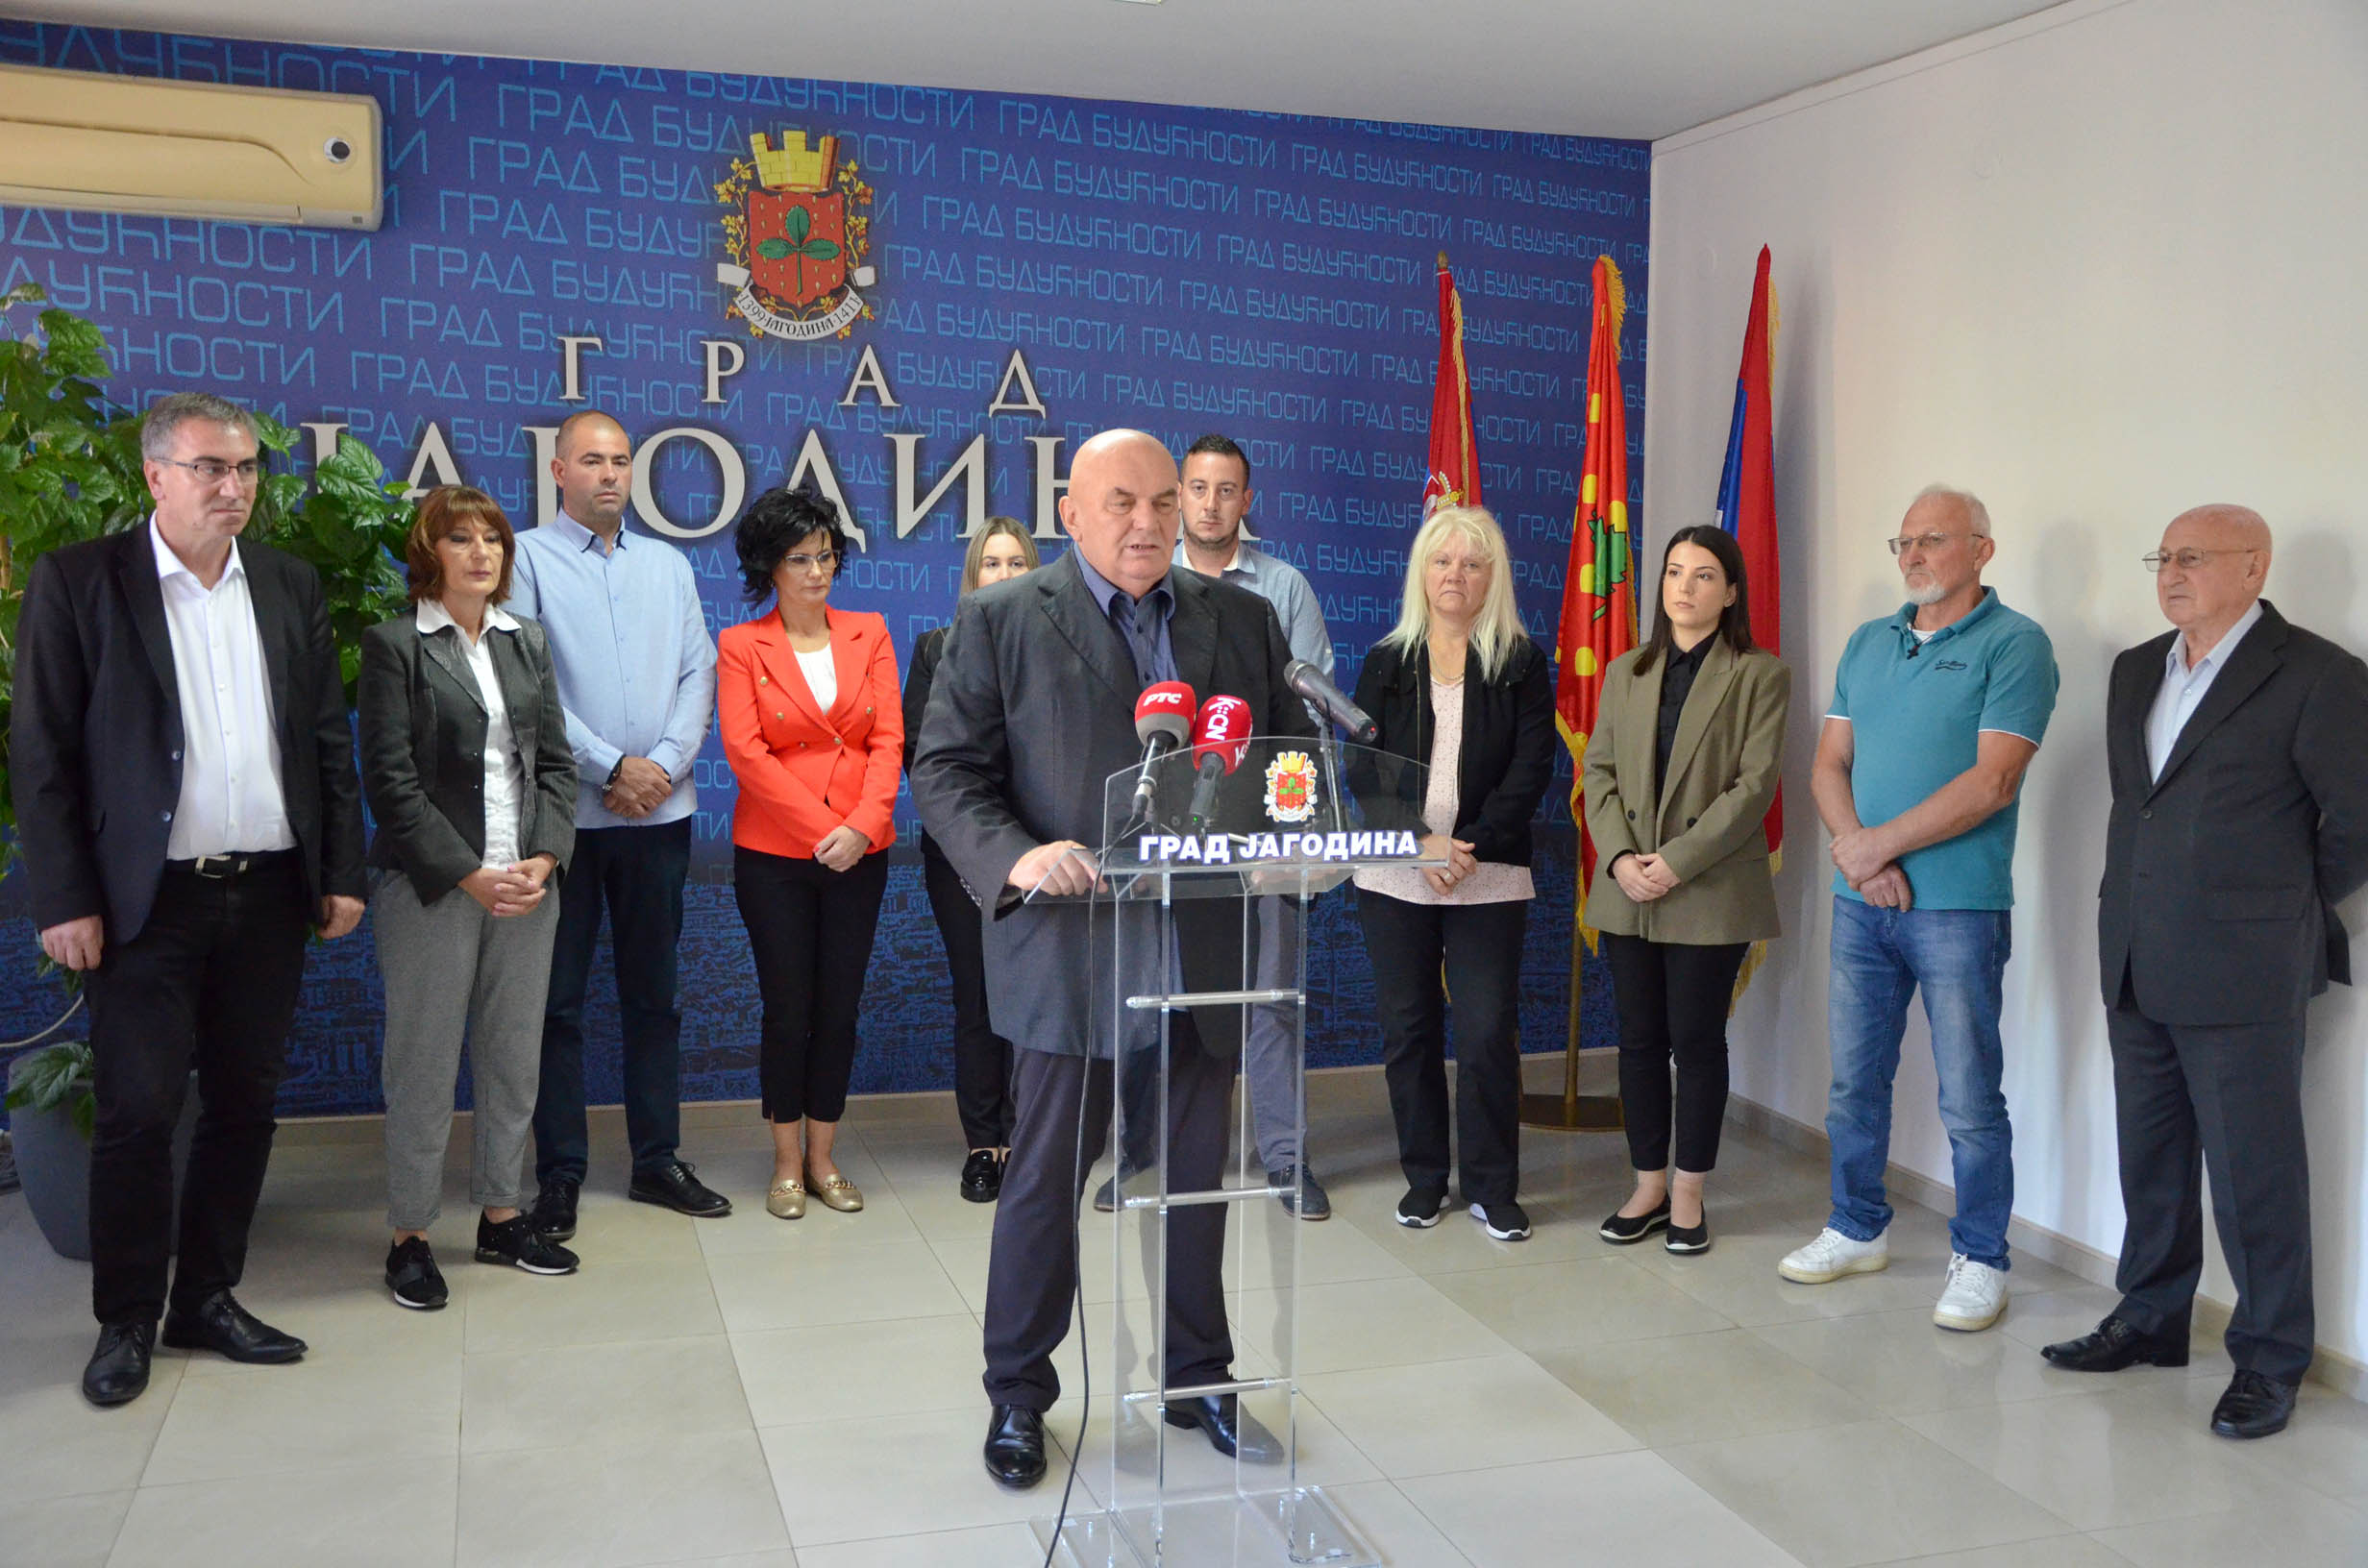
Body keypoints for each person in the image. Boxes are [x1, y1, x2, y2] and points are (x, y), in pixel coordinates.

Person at [910, 429, 1317, 1490]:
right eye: (1122, 503)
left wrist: (1290, 835)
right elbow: (945, 772)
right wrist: (1019, 856)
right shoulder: (1003, 619)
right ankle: (1018, 1392)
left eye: (1161, 502)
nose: (1147, 522)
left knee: (1195, 1177)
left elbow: (1285, 761)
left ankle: (1198, 1376)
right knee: (1046, 1177)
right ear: (1073, 514)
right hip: (1073, 944)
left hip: (1203, 941)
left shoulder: (1241, 618)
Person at [11, 391, 366, 1405]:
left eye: (246, 468)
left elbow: (325, 741)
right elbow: (42, 756)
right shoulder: (82, 581)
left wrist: (340, 871)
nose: (233, 487)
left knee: (246, 1104)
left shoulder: (287, 584)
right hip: (145, 903)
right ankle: (126, 1320)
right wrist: (64, 899)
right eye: (211, 467)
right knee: (137, 1111)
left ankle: (207, 1297)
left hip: (269, 891)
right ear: (155, 475)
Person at [2041, 505, 2368, 1439]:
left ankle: (2270, 1358)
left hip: (2244, 966)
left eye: (2192, 557)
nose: (2170, 573)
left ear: (2254, 568)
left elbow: (2356, 822)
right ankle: (2150, 1316)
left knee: (2254, 1173)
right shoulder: (2137, 668)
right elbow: (2139, 807)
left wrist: (2281, 906)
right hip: (2135, 951)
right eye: (2163, 557)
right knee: (2149, 1156)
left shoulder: (2318, 675)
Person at [1782, 485, 2057, 1334]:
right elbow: (1828, 764)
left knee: (1970, 1097)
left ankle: (1982, 1258)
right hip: (1862, 905)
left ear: (1982, 549)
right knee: (1853, 1084)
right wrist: (1860, 856)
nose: (1912, 556)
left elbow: (1994, 780)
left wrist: (1874, 848)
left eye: (1932, 540)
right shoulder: (1869, 642)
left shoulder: (2015, 643)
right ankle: (1856, 1226)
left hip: (1958, 909)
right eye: (1902, 542)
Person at [508, 411, 727, 1238]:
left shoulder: (668, 565)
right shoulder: (526, 558)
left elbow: (698, 671)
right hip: (564, 821)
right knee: (557, 1005)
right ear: (559, 471)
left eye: (621, 461)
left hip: (659, 816)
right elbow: (526, 682)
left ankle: (656, 1161)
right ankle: (560, 1173)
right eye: (592, 460)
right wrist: (610, 768)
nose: (609, 474)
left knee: (654, 999)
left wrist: (660, 766)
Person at [359, 487, 580, 1305]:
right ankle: (410, 1238)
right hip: (433, 887)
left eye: (492, 539)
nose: (482, 553)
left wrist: (544, 857)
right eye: (461, 539)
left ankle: (501, 1216)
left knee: (513, 1058)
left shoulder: (528, 642)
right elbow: (390, 783)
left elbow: (554, 764)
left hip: (525, 884)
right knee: (422, 1065)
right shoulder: (396, 645)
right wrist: (469, 872)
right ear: (431, 553)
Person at [1351, 504, 1556, 1242]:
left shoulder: (1520, 663)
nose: (1455, 575)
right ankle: (1425, 1178)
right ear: (1422, 572)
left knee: (1486, 1029)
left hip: (1487, 873)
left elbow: (1532, 768)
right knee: (1408, 1029)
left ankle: (1493, 1187)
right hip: (1396, 875)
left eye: (1471, 564)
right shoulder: (1386, 661)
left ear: (1492, 578)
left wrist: (1465, 845)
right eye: (1442, 561)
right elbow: (1363, 768)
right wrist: (1421, 843)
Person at [1583, 526, 1789, 1256]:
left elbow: (1754, 787)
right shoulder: (1626, 671)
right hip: (1627, 888)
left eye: (1703, 575)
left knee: (1695, 1043)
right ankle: (1648, 1185)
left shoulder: (1759, 675)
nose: (1685, 587)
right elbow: (1598, 773)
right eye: (1674, 572)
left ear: (1730, 592)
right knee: (1638, 1041)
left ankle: (1690, 1191)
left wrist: (1674, 862)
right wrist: (1619, 859)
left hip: (1708, 887)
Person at [717, 485, 902, 1219]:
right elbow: (746, 752)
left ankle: (825, 1158)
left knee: (840, 1010)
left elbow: (888, 739)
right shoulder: (742, 645)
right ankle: (787, 1163)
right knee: (787, 1010)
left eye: (826, 555)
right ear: (769, 566)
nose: (818, 570)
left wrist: (863, 825)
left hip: (862, 850)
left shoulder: (870, 631)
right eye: (800, 558)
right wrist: (825, 828)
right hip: (775, 856)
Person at [1172, 432, 1338, 1220]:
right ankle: (1151, 1151)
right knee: (1167, 998)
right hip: (1171, 836)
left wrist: (1292, 838)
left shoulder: (1281, 590)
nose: (1211, 505)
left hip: (1264, 835)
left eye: (1226, 490)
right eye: (1198, 488)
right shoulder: (1147, 581)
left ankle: (1285, 1160)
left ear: (1248, 499)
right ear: (1179, 494)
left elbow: (1302, 721)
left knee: (1271, 996)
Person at [903, 517, 1039, 1203]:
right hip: (962, 853)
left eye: (1017, 562)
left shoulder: (1060, 650)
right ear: (972, 575)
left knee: (1034, 997)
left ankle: (1029, 1139)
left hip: (1042, 855)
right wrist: (979, 841)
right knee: (979, 997)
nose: (1004, 574)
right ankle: (984, 1144)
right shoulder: (937, 649)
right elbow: (924, 754)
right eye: (992, 562)